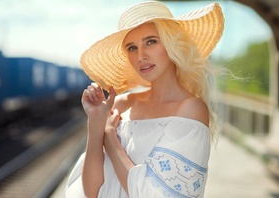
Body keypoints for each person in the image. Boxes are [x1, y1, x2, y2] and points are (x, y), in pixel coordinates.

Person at [65, 1, 224, 197]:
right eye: (132, 48)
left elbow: (152, 193)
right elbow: (91, 192)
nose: (141, 55)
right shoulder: (121, 105)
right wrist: (95, 124)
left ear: (171, 44)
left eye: (151, 41)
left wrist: (109, 137)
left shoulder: (190, 109)